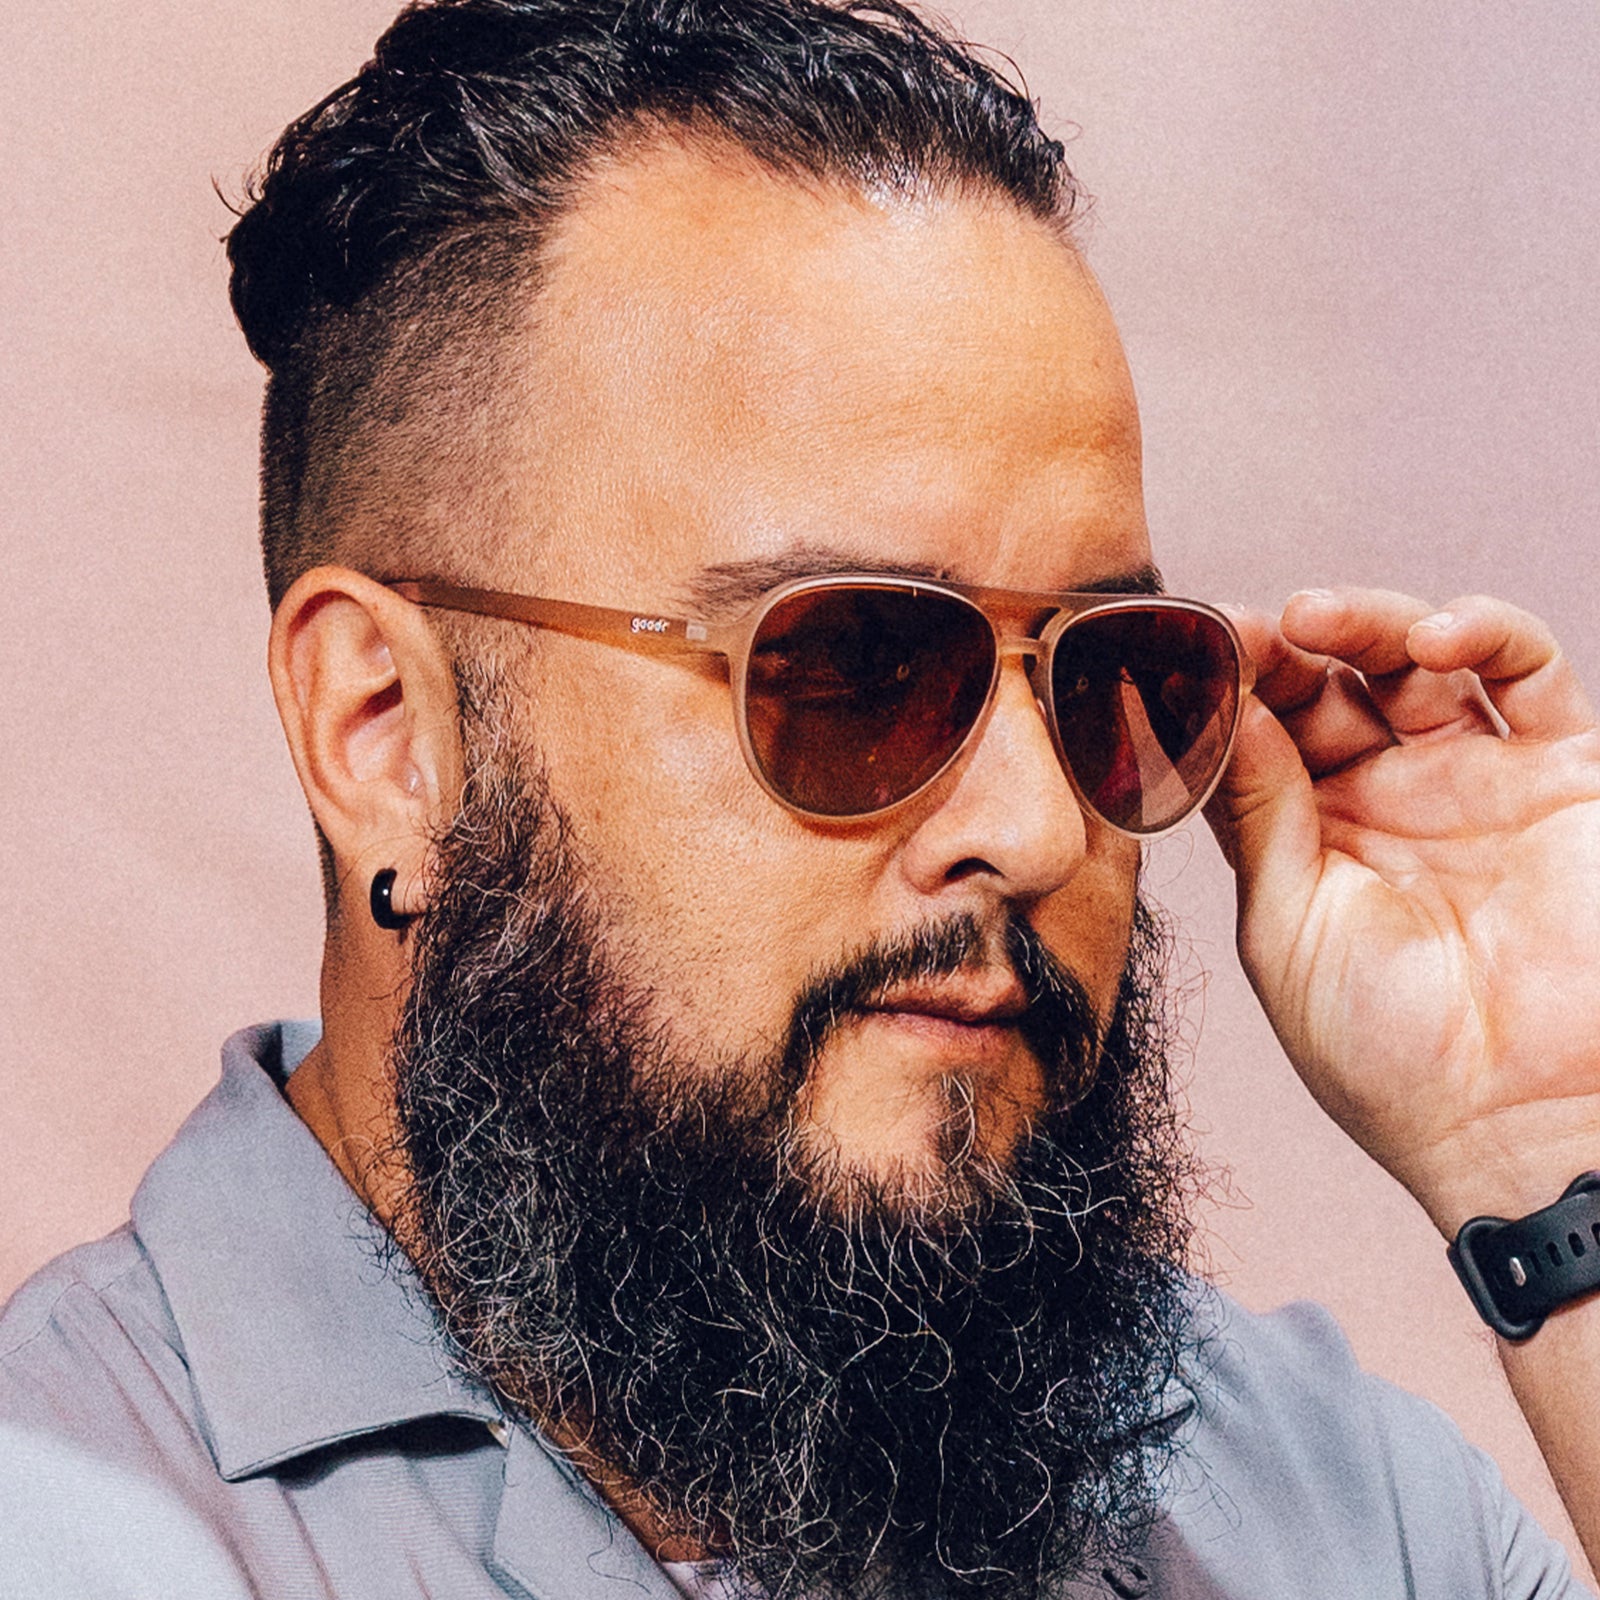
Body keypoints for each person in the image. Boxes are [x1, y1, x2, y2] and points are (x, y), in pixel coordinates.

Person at [3, 0, 1599, 1595]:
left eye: (1111, 672)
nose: (1041, 829)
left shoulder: (1316, 1498)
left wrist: (1543, 1138)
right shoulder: (64, 1521)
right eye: (850, 665)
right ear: (385, 732)